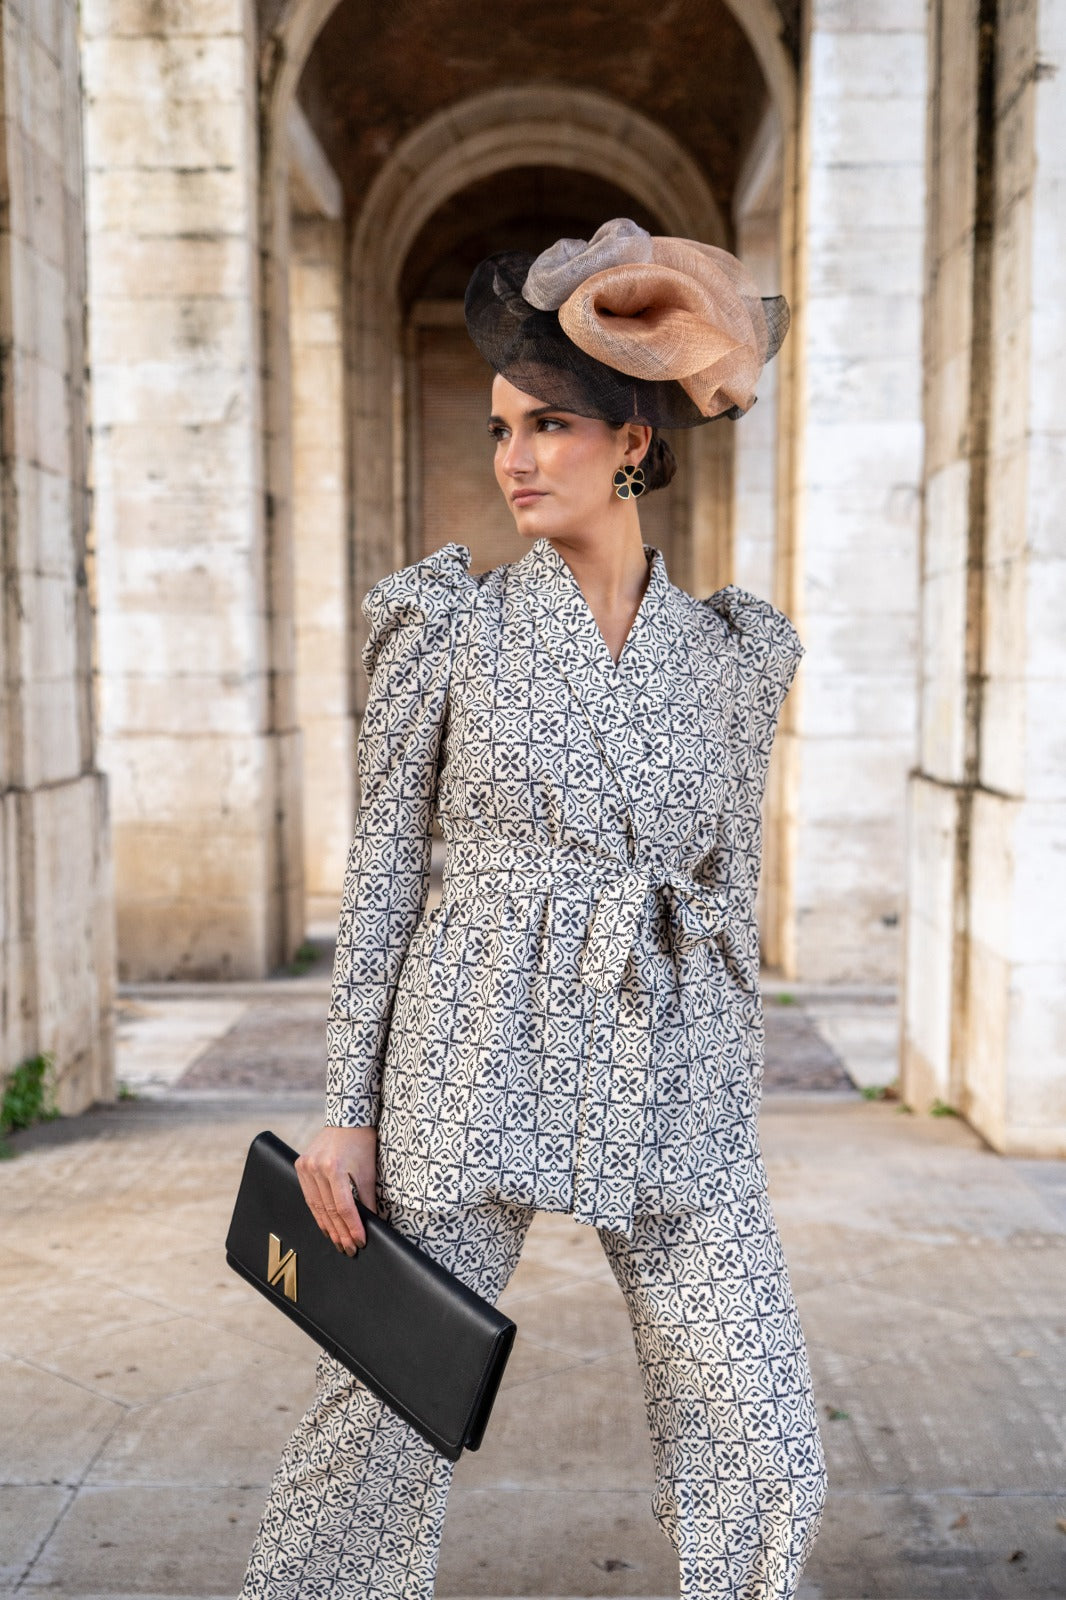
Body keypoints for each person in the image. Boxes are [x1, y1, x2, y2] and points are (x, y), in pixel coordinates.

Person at [240, 218, 827, 1599]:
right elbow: (386, 869)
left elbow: (725, 894)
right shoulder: (445, 628)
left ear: (632, 443)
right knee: (378, 1421)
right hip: (468, 1047)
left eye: (549, 425)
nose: (514, 457)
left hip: (670, 1065)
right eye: (503, 427)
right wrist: (347, 1106)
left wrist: (728, 1104)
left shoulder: (732, 657)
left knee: (763, 1430)